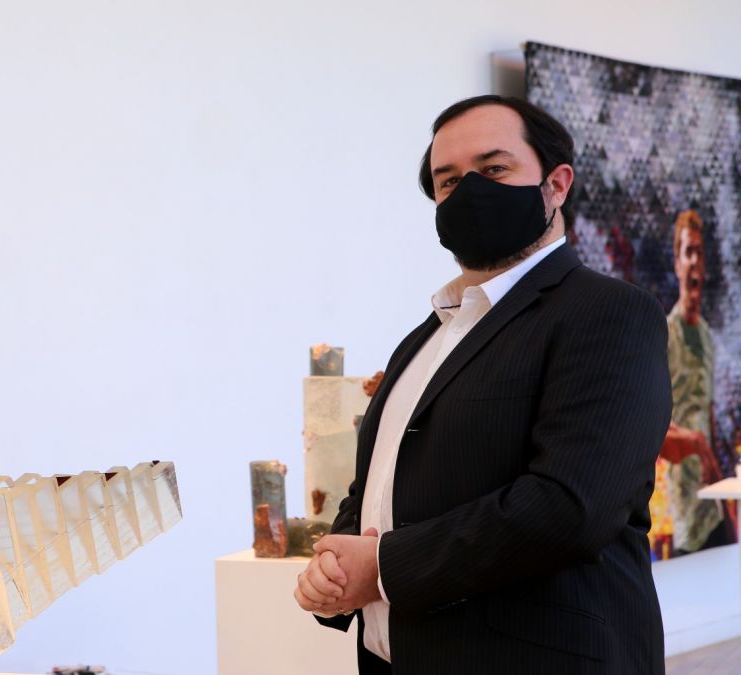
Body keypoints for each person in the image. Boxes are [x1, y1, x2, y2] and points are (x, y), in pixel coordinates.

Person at [293, 95, 670, 674]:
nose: (469, 192)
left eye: (495, 170)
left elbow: (571, 507)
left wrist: (384, 567)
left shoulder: (609, 314)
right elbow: (380, 480)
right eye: (448, 182)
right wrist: (340, 566)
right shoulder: (428, 335)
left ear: (556, 184)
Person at [651, 209, 728, 559]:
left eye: (699, 252)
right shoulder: (665, 335)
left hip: (712, 506)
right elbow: (651, 423)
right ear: (678, 264)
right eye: (688, 252)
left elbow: (709, 414)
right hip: (678, 513)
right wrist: (694, 443)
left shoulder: (708, 338)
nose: (695, 261)